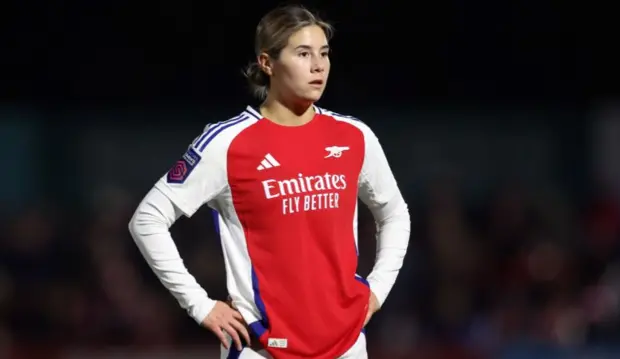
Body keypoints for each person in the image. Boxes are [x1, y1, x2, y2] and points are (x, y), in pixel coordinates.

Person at [128, 4, 410, 359]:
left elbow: (395, 212)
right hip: (260, 349)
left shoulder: (354, 136)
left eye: (324, 53)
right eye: (303, 53)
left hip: (347, 347)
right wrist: (199, 305)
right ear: (267, 63)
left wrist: (378, 289)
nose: (319, 65)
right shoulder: (226, 144)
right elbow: (147, 219)